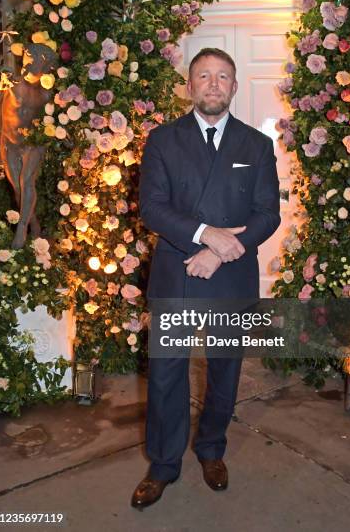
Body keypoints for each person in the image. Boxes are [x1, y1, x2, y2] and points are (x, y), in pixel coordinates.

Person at [132, 47, 281, 509]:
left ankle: (212, 449)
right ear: (190, 86)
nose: (213, 84)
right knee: (165, 376)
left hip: (229, 277)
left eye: (222, 77)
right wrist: (204, 237)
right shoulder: (162, 140)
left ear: (234, 87)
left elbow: (267, 214)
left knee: (225, 371)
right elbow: (153, 208)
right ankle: (162, 464)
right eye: (203, 76)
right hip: (176, 276)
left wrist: (218, 254)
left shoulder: (256, 145)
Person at [0, 44, 57, 249]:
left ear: (46, 67)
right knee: (17, 188)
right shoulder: (12, 81)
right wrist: (3, 80)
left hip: (33, 143)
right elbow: (1, 83)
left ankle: (21, 229)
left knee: (26, 181)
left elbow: (54, 120)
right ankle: (34, 225)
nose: (27, 65)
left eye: (33, 62)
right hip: (9, 141)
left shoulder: (47, 95)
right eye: (26, 59)